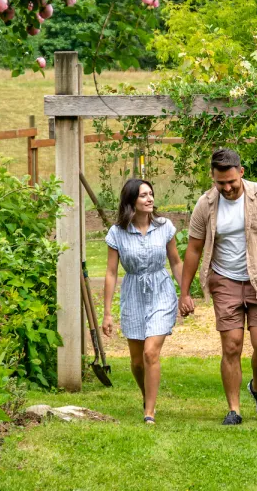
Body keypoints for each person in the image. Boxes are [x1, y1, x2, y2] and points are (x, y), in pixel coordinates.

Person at [179, 148, 257, 425]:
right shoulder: (205, 204)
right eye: (220, 183)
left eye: (231, 181)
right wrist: (184, 292)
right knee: (231, 346)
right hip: (225, 280)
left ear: (241, 172)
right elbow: (193, 248)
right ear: (212, 178)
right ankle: (234, 409)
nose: (227, 188)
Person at [102, 178, 184, 424]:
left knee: (150, 353)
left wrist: (186, 292)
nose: (150, 199)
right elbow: (111, 273)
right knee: (137, 362)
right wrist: (107, 313)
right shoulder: (117, 233)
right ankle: (147, 393)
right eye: (143, 195)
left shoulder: (165, 226)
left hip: (161, 291)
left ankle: (150, 411)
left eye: (151, 194)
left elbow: (176, 262)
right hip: (133, 293)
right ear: (131, 202)